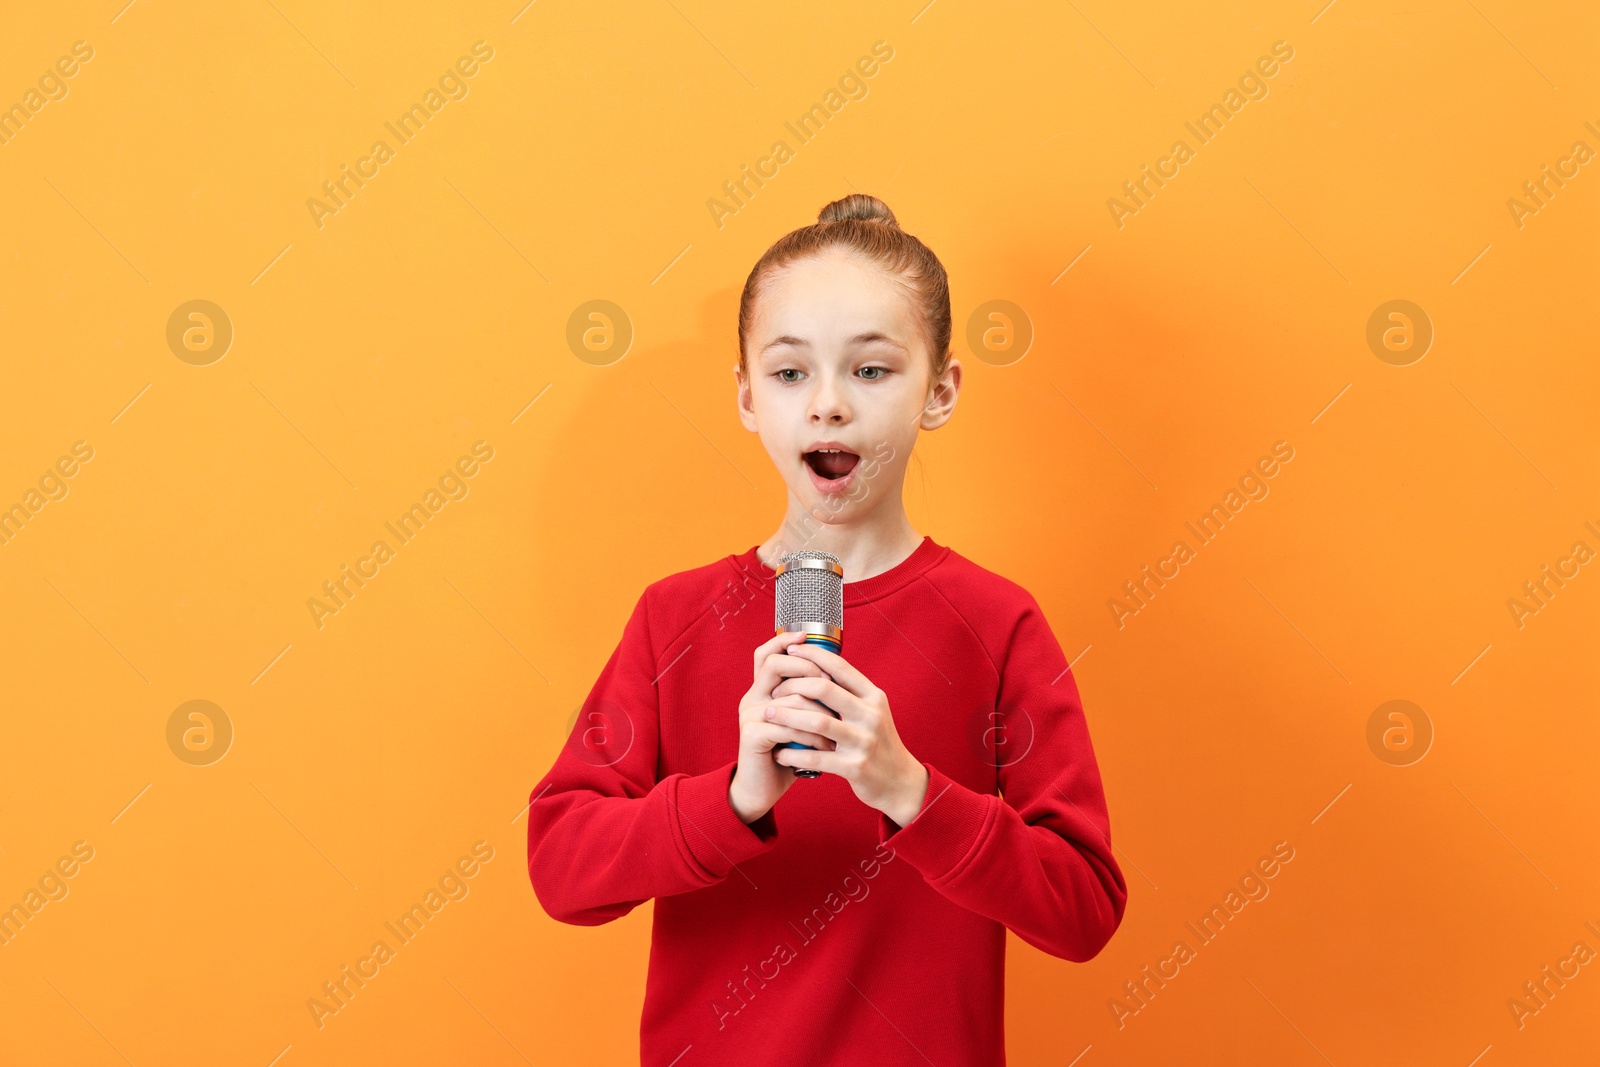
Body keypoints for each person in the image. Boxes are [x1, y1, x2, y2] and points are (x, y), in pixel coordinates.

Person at [527, 193, 1126, 1065]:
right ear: (745, 398)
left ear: (941, 391)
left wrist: (913, 792)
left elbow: (1082, 910)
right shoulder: (674, 618)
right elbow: (562, 870)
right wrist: (732, 796)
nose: (829, 406)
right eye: (790, 372)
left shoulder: (998, 623)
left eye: (873, 371)